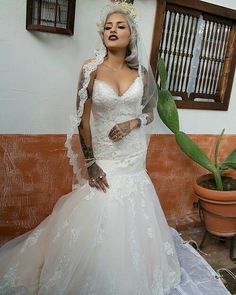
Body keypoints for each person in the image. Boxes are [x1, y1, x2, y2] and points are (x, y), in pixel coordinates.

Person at [0, 2, 231, 295]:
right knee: (103, 205)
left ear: (131, 35)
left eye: (120, 26)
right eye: (108, 27)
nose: (112, 30)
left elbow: (149, 111)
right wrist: (91, 162)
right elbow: (81, 120)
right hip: (106, 155)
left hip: (134, 155)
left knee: (135, 209)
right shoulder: (91, 69)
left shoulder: (142, 74)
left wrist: (133, 122)